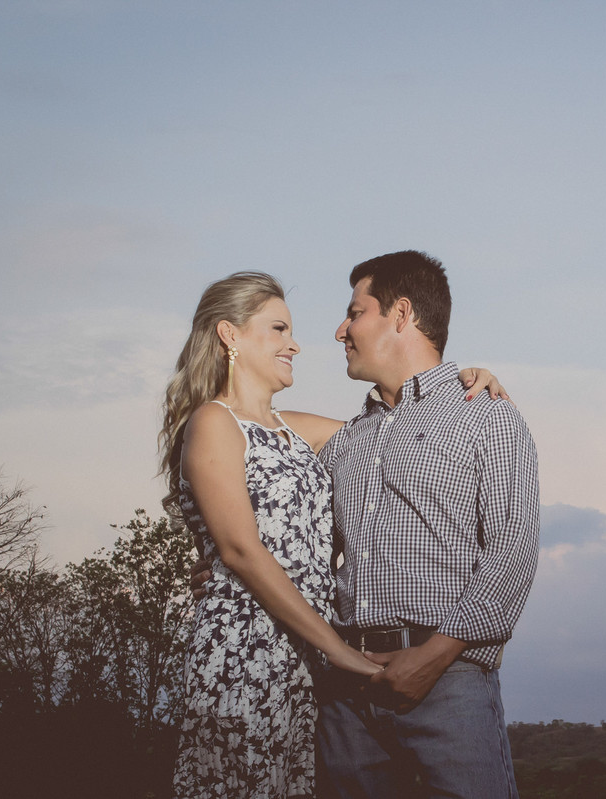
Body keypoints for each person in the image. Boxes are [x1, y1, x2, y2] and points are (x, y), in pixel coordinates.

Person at [161, 271, 506, 799]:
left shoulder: (298, 431)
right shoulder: (212, 421)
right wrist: (341, 652)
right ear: (230, 335)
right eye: (277, 329)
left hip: (306, 666)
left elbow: (389, 430)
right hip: (248, 653)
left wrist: (468, 379)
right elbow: (240, 549)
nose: (294, 343)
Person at [315, 251, 540, 799]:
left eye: (355, 312)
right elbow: (295, 537)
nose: (340, 330)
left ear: (401, 314)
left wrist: (433, 656)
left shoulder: (485, 413)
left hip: (450, 679)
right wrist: (222, 564)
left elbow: (512, 552)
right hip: (348, 687)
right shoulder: (347, 440)